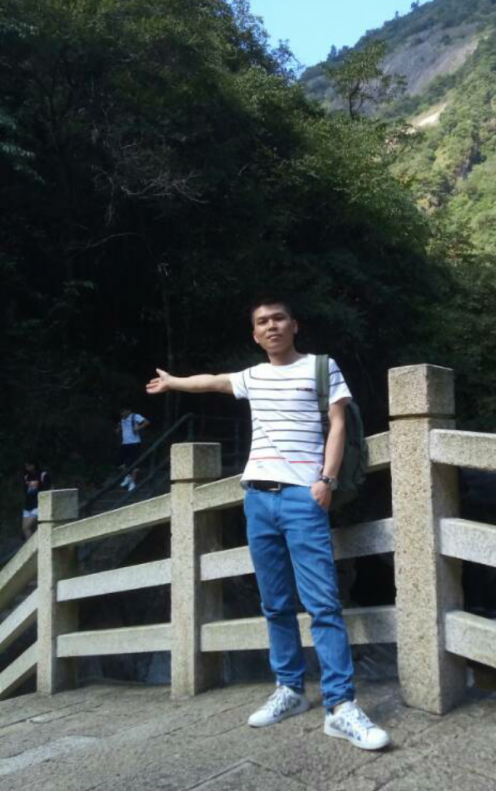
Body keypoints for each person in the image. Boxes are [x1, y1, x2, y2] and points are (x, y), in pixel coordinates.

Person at [146, 295, 390, 751]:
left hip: (304, 497)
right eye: (262, 322)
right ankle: (290, 689)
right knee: (275, 603)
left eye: (279, 318)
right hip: (257, 497)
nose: (271, 326)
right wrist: (174, 381)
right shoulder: (253, 376)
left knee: (322, 603)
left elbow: (338, 424)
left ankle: (340, 706)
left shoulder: (321, 367)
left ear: (294, 325)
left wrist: (326, 480)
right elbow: (212, 382)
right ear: (255, 335)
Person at [116, 406, 150, 492]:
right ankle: (128, 476)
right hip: (124, 443)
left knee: (134, 463)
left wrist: (138, 427)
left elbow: (146, 422)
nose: (122, 413)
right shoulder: (122, 419)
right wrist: (118, 429)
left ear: (128, 411)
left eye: (124, 411)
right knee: (119, 462)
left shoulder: (135, 416)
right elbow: (121, 428)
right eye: (121, 412)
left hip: (134, 443)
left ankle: (133, 482)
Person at [22, 460, 51, 540]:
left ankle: (36, 545)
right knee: (26, 529)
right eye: (26, 466)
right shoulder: (26, 476)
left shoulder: (43, 475)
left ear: (34, 465)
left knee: (27, 527)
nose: (27, 467)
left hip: (38, 505)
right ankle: (32, 546)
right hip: (28, 506)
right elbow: (25, 490)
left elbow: (48, 489)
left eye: (29, 465)